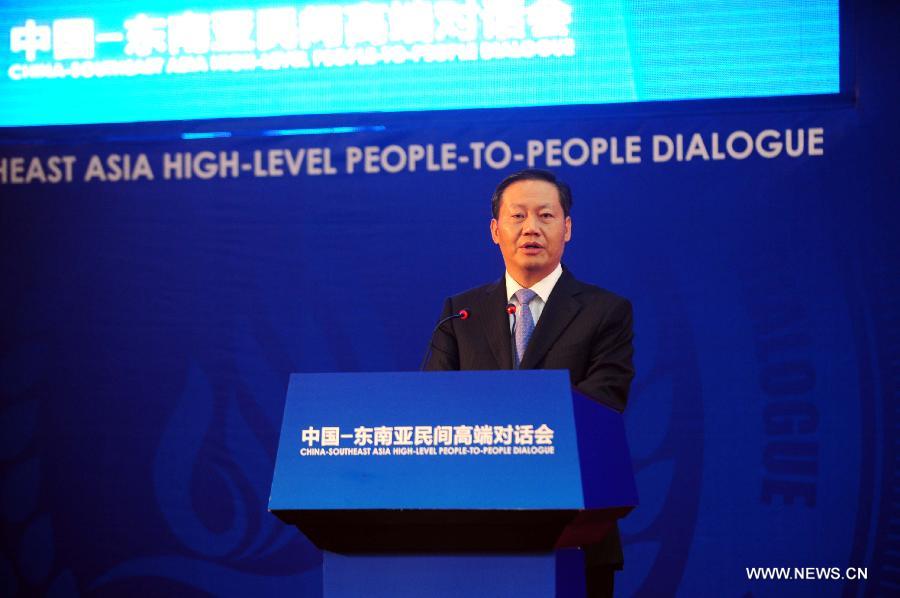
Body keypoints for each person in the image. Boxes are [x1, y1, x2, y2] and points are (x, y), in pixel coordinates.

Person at [424, 169, 635, 597]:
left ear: (567, 228)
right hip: (472, 530)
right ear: (495, 230)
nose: (531, 228)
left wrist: (512, 431)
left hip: (574, 527)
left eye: (545, 216)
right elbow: (435, 405)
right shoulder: (460, 314)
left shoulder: (606, 311)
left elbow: (605, 401)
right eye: (517, 216)